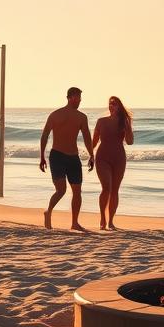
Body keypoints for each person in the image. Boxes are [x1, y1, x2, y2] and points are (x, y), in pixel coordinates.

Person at [39, 87, 94, 231]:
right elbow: (44, 135)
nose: (80, 100)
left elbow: (87, 138)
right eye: (78, 97)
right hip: (57, 155)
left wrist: (91, 154)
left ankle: (74, 222)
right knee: (61, 190)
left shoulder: (82, 117)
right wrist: (42, 157)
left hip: (73, 157)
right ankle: (48, 211)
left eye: (80, 98)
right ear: (70, 97)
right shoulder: (55, 115)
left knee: (77, 191)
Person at [92, 96, 134, 231]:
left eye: (114, 104)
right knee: (106, 188)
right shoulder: (101, 121)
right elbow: (93, 142)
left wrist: (127, 126)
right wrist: (90, 156)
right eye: (110, 104)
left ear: (119, 106)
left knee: (115, 190)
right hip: (102, 158)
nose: (111, 106)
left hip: (119, 159)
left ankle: (111, 221)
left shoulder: (124, 122)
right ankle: (102, 218)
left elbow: (130, 141)